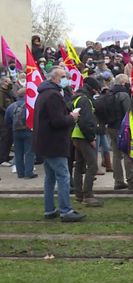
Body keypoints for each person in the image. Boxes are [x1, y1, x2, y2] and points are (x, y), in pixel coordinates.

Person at [33, 67, 85, 222]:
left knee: (50, 178)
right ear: (54, 78)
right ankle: (65, 211)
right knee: (63, 176)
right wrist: (72, 117)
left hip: (44, 142)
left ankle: (49, 210)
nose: (66, 79)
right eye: (63, 76)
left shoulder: (44, 94)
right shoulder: (53, 95)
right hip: (54, 143)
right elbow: (57, 121)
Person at [71, 77, 103, 207]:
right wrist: (91, 138)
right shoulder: (86, 100)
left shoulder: (77, 98)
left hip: (76, 135)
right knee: (92, 166)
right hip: (83, 137)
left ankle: (78, 195)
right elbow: (86, 121)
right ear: (92, 88)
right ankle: (88, 195)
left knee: (79, 165)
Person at [106, 74, 133, 190]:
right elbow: (129, 113)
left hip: (111, 127)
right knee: (127, 153)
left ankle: (118, 181)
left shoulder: (109, 94)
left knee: (116, 155)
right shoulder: (124, 95)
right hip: (122, 128)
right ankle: (132, 180)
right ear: (123, 83)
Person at [4, 88, 36, 178]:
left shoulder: (11, 106)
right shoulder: (30, 106)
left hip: (16, 131)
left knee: (18, 153)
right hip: (29, 131)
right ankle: (29, 173)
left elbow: (7, 120)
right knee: (29, 152)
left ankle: (20, 173)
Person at [0, 76, 15, 166]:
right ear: (4, 82)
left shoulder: (8, 92)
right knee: (5, 139)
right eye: (9, 82)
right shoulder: (1, 93)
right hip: (3, 121)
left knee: (9, 139)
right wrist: (10, 113)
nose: (10, 83)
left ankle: (5, 155)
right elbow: (1, 107)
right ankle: (2, 159)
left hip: (8, 120)